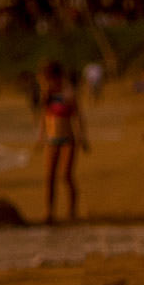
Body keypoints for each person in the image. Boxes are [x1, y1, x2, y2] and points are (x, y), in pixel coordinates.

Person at [36, 57, 88, 224]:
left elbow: (78, 116)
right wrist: (40, 137)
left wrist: (82, 137)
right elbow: (43, 116)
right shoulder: (47, 94)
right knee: (49, 177)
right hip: (51, 139)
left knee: (65, 175)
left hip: (68, 139)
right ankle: (49, 211)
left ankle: (72, 209)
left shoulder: (68, 92)